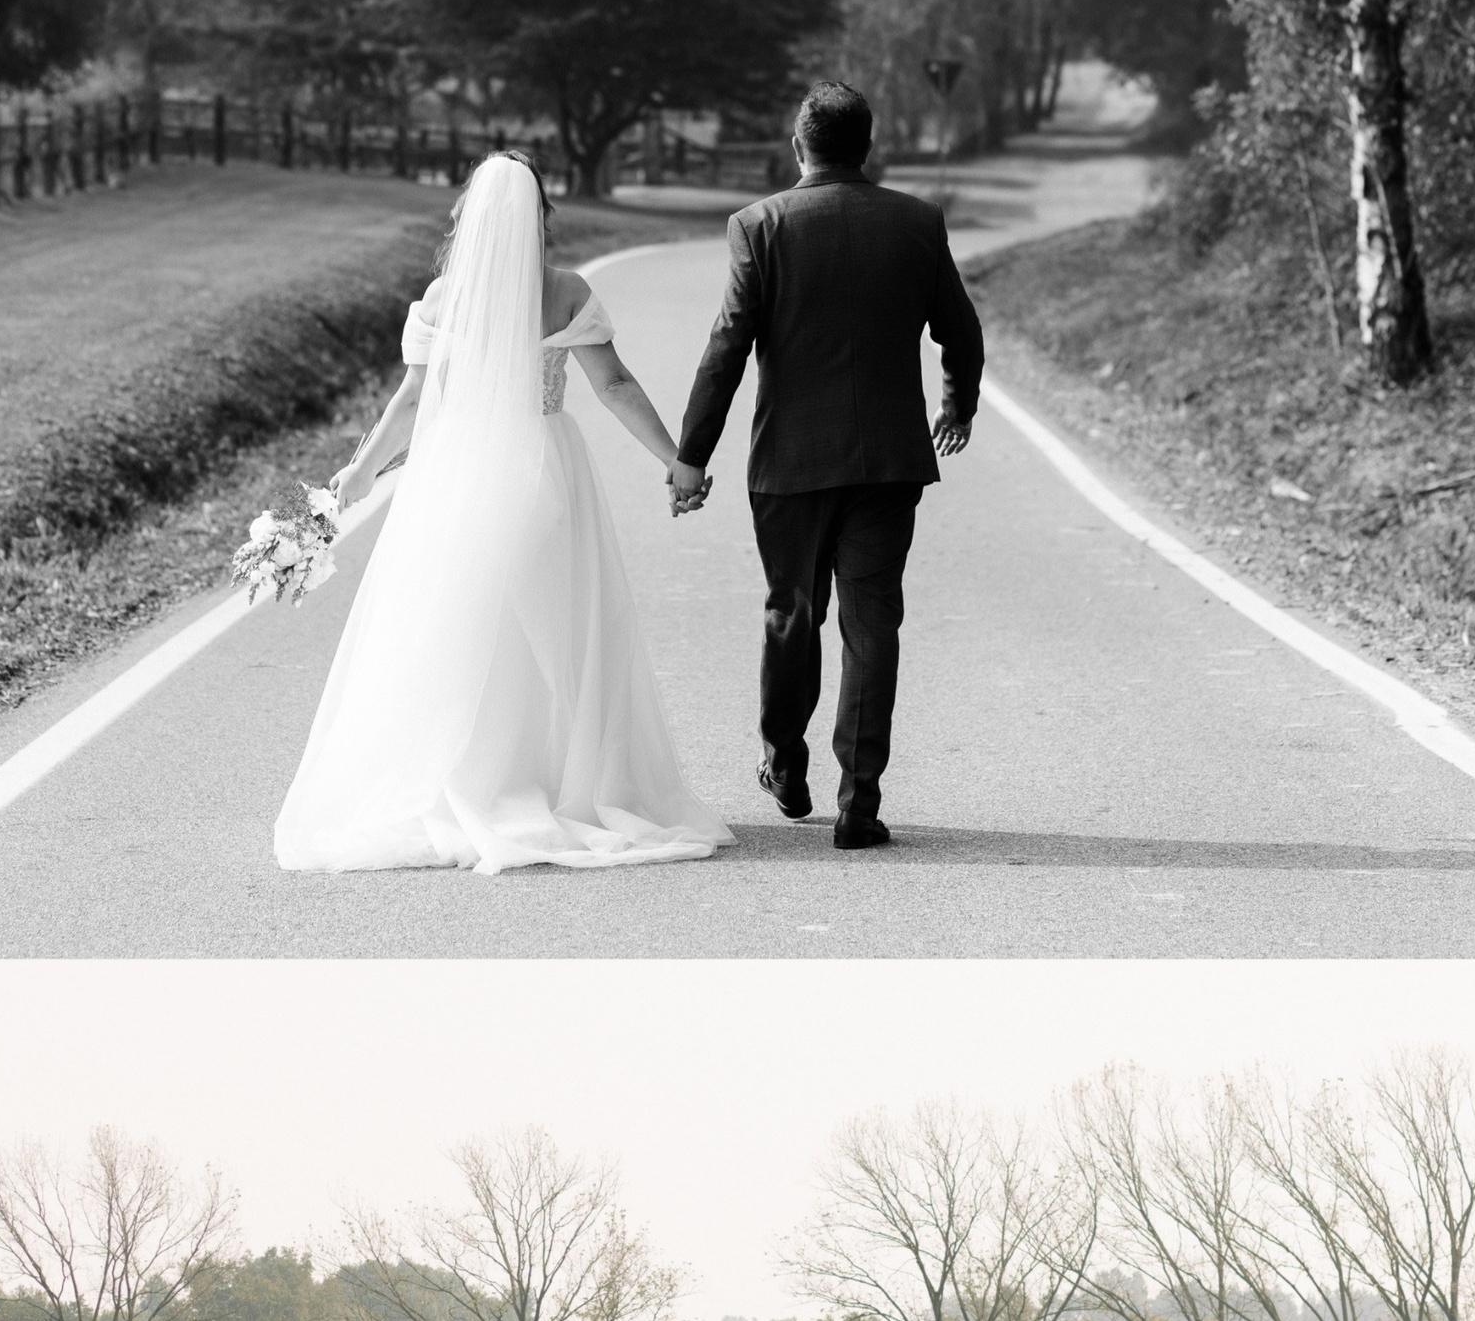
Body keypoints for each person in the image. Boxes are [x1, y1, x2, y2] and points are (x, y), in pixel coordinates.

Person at [273, 153, 730, 875]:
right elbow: (612, 384)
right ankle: (550, 779)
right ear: (541, 216)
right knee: (554, 624)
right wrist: (676, 460)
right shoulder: (566, 292)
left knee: (457, 623)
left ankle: (466, 777)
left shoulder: (444, 296)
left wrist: (357, 474)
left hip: (458, 471)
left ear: (470, 218)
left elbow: (414, 400)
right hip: (545, 470)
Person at [673, 78, 984, 851]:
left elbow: (727, 347)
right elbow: (961, 330)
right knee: (871, 623)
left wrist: (691, 455)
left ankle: (784, 763)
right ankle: (860, 803)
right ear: (867, 145)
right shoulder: (916, 222)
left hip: (788, 462)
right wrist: (958, 404)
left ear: (798, 145)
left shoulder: (760, 225)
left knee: (792, 613)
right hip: (887, 461)